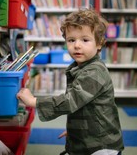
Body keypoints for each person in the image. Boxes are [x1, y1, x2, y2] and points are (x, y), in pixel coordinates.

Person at [17, 9, 124, 155]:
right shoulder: (79, 66)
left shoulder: (94, 71)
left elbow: (71, 101)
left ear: (99, 44)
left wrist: (34, 101)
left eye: (85, 40)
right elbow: (84, 104)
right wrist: (76, 130)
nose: (77, 45)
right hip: (88, 138)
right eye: (71, 40)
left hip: (101, 147)